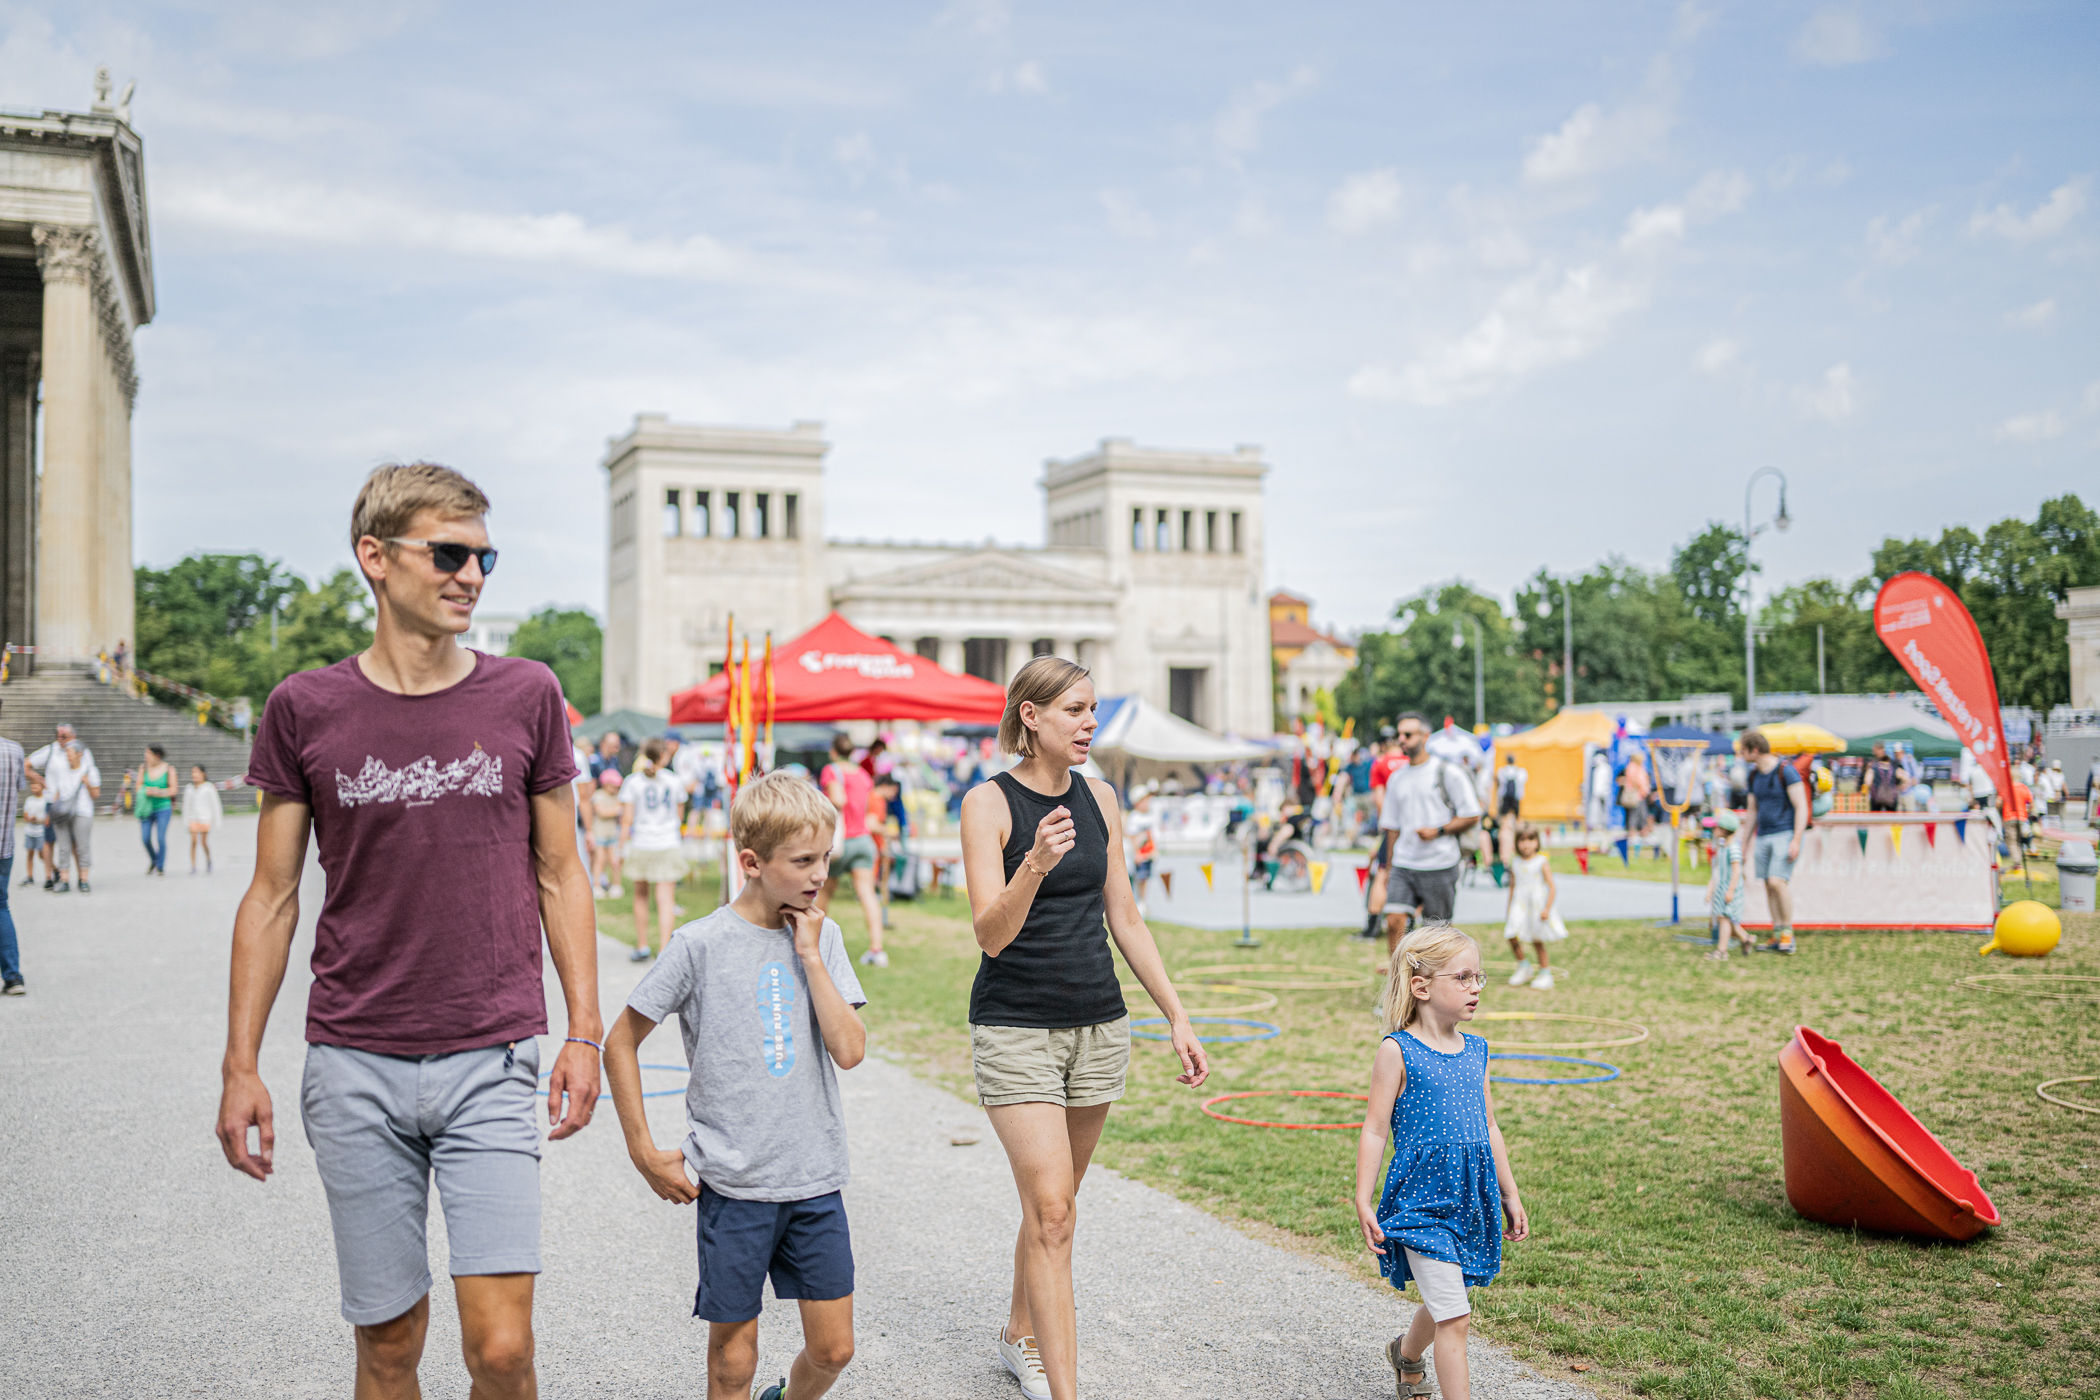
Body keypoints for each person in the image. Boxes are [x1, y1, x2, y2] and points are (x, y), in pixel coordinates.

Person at [215, 461, 601, 1400]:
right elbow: (271, 896)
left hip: (490, 1055)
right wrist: (240, 1065)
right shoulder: (304, 707)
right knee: (389, 1344)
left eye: (485, 558)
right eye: (450, 554)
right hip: (355, 1061)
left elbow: (561, 872)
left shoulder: (527, 694)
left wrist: (584, 1030)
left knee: (502, 1350)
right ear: (375, 557)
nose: (472, 575)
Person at [959, 656, 1207, 1400]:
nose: (1090, 723)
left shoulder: (1100, 796)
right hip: (1015, 1027)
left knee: (1055, 1209)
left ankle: (1018, 1333)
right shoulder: (987, 804)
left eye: (1093, 709)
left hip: (1097, 1026)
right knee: (1053, 1212)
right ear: (1030, 716)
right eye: (1074, 710)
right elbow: (990, 936)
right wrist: (1033, 863)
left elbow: (1124, 916)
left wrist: (1177, 1014)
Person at [603, 771, 866, 1400]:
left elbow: (850, 1050)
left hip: (813, 1178)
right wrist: (643, 1151)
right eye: (802, 861)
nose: (819, 874)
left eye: (825, 856)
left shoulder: (824, 936)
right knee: (733, 1362)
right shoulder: (698, 944)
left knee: (834, 1348)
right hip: (734, 1184)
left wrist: (809, 956)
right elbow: (620, 1042)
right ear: (751, 862)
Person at [1353, 924, 1528, 1400]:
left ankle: (1406, 1356)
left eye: (1479, 977)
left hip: (1470, 1198)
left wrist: (1510, 1193)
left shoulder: (1477, 1050)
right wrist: (1363, 1199)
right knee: (1456, 1315)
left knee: (1448, 1296)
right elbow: (1375, 1128)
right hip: (1421, 1202)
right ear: (1421, 986)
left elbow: (1489, 1125)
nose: (1476, 987)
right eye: (1463, 977)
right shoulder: (1397, 1050)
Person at [1374, 712, 1482, 975]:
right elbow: (1391, 826)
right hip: (1404, 863)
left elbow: (1472, 814)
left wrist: (1439, 830)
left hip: (1440, 862)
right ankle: (1398, 981)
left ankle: (1432, 983)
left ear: (1424, 736)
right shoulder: (1397, 778)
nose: (1401, 739)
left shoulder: (1447, 772)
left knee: (1437, 934)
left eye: (1408, 734)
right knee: (1394, 920)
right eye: (1399, 734)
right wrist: (1387, 867)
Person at [1738, 728, 1809, 955]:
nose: (1741, 755)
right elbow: (1752, 811)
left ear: (1755, 750)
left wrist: (1796, 839)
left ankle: (1788, 934)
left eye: (1743, 751)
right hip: (1763, 835)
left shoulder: (1786, 771)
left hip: (1785, 833)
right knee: (1769, 885)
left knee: (1778, 881)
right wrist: (1744, 843)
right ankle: (1778, 934)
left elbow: (1801, 806)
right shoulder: (1753, 775)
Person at [819, 733, 888, 967]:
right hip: (863, 841)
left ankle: (816, 944)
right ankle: (877, 949)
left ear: (833, 752)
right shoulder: (862, 775)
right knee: (867, 894)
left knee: (823, 893)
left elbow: (838, 799)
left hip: (841, 841)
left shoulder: (831, 770)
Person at [621, 737, 689, 963]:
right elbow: (680, 815)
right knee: (666, 899)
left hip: (642, 842)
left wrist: (620, 847)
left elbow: (627, 819)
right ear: (664, 756)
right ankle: (663, 948)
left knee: (640, 896)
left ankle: (642, 945)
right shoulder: (674, 781)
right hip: (668, 842)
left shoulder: (632, 781)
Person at [1500, 825, 1566, 989]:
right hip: (1520, 904)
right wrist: (1509, 908)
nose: (1526, 844)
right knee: (1511, 934)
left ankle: (1545, 973)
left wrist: (1547, 909)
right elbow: (1512, 886)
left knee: (1537, 939)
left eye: (1530, 840)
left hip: (1536, 906)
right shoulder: (1515, 862)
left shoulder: (1541, 862)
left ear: (1537, 842)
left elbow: (1552, 886)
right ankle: (1524, 966)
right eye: (1522, 840)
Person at [43, 740, 100, 893]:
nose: (67, 755)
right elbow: (58, 793)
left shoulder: (90, 771)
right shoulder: (63, 771)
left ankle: (84, 880)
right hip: (62, 813)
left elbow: (95, 795)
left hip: (82, 812)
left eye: (69, 752)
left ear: (79, 754)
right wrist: (50, 813)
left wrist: (87, 783)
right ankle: (64, 880)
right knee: (63, 847)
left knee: (82, 846)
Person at [0, 704, 23, 994]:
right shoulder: (14, 751)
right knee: (1, 906)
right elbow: (18, 788)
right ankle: (13, 976)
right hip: (4, 846)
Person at [1704, 810, 1748, 959]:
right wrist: (1710, 890)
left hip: (1729, 888)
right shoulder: (1722, 847)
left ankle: (1722, 951)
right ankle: (1746, 938)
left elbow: (1737, 871)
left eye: (1716, 827)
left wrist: (1731, 890)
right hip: (1721, 888)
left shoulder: (1733, 848)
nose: (1713, 830)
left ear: (1724, 829)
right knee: (1725, 919)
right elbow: (1717, 871)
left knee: (1724, 918)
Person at [136, 742, 176, 876]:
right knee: (145, 838)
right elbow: (138, 787)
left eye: (149, 754)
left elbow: (173, 790)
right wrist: (146, 790)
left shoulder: (169, 769)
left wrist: (159, 792)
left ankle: (160, 866)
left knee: (160, 838)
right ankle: (154, 859)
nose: (146, 756)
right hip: (146, 808)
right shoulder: (143, 768)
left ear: (157, 755)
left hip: (163, 807)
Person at [590, 770, 626, 897]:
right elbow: (602, 812)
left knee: (614, 861)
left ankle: (616, 885)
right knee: (599, 860)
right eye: (614, 785)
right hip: (599, 834)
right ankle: (597, 886)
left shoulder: (617, 797)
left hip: (612, 834)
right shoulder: (598, 795)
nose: (616, 788)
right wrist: (616, 810)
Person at [184, 765, 223, 874]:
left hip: (205, 818)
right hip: (193, 818)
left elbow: (215, 805)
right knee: (193, 841)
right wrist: (186, 821)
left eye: (197, 772)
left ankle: (208, 859)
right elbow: (186, 806)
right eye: (193, 772)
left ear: (203, 774)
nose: (194, 775)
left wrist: (217, 820)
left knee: (203, 842)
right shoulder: (189, 788)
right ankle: (193, 865)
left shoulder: (209, 787)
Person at [1491, 754, 1527, 860]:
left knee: (1504, 821)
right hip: (1516, 799)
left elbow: (1498, 784)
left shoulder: (1502, 771)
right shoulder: (1521, 772)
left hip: (1505, 799)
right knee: (1517, 820)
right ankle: (1517, 837)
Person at [1862, 742, 1904, 813]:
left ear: (1881, 750)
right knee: (1892, 816)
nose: (1873, 752)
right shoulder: (1891, 762)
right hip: (1890, 796)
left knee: (1875, 815)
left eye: (1875, 750)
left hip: (1877, 795)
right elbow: (1903, 776)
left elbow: (1867, 780)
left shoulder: (1873, 764)